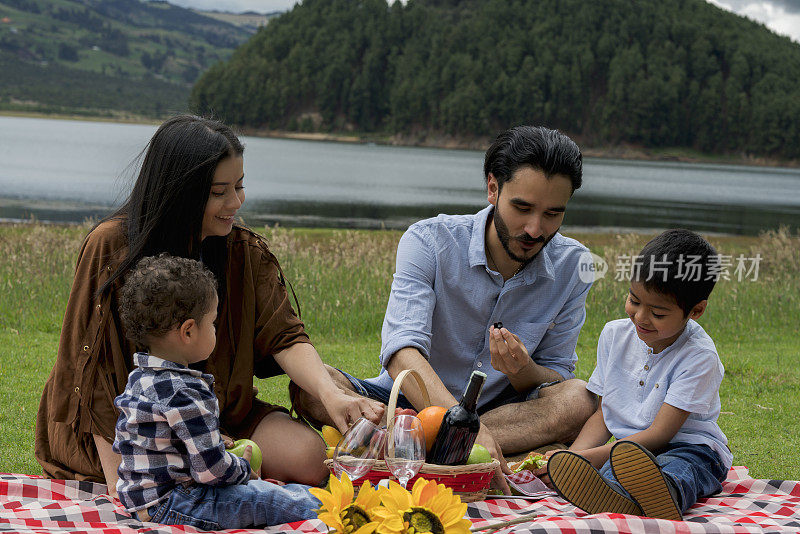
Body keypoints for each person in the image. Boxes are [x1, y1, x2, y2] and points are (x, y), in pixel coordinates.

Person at [35, 115, 383, 494]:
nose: (235, 202)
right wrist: (122, 477)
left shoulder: (243, 250)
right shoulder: (110, 246)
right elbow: (92, 376)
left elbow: (283, 336)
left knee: (310, 459)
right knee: (148, 491)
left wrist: (331, 394)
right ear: (180, 191)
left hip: (221, 413)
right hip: (133, 423)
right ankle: (206, 461)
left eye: (240, 186)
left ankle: (210, 456)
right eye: (219, 192)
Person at [293, 126, 598, 487]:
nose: (535, 228)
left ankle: (403, 449)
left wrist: (523, 370)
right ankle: (470, 451)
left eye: (552, 214)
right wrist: (465, 426)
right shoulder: (428, 241)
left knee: (581, 398)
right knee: (311, 385)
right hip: (405, 404)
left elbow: (556, 376)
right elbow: (401, 351)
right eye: (523, 207)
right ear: (493, 188)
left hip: (502, 412)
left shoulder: (575, 266)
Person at [113, 254, 320, 529]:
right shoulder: (185, 391)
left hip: (142, 502)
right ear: (188, 331)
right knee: (267, 499)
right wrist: (244, 469)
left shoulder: (140, 377)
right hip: (178, 501)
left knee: (258, 496)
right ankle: (336, 505)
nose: (214, 329)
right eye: (211, 323)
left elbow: (163, 440)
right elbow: (211, 471)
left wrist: (211, 440)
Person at [545, 229, 732, 520]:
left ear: (695, 311)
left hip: (690, 448)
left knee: (679, 467)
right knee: (616, 468)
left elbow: (660, 434)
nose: (641, 317)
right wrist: (572, 459)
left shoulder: (699, 356)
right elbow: (605, 414)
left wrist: (589, 458)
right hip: (628, 453)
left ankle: (664, 494)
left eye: (658, 313)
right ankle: (622, 499)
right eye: (634, 300)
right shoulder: (614, 335)